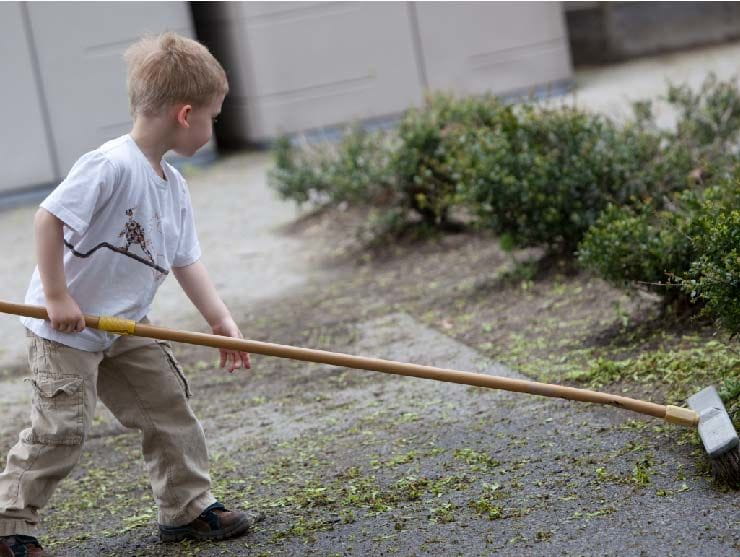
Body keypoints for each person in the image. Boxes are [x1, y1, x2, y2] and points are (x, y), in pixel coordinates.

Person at [0, 32, 260, 557]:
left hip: (122, 328)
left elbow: (186, 259)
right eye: (213, 116)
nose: (214, 127)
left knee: (166, 406)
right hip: (66, 330)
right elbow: (48, 218)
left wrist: (221, 321)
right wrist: (56, 296)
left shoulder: (174, 186)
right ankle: (7, 526)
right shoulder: (110, 165)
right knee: (61, 429)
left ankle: (186, 508)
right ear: (185, 114)